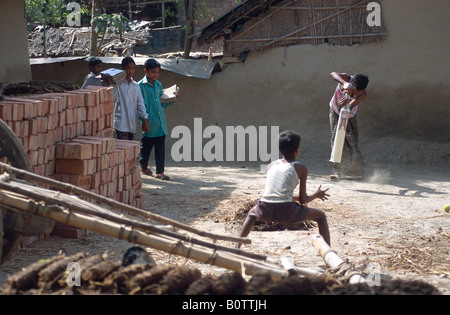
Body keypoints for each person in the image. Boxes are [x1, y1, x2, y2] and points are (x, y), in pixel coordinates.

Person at [237, 130, 331, 247]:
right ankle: (328, 251)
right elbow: (303, 200)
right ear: (297, 149)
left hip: (264, 209)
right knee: (321, 216)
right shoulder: (301, 168)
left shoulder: (270, 165)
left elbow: (280, 196)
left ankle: (237, 247)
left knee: (251, 214)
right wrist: (316, 195)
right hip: (287, 212)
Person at [139, 58, 178, 180]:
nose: (155, 74)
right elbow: (139, 105)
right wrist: (143, 120)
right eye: (153, 72)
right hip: (149, 123)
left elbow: (162, 103)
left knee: (160, 149)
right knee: (146, 148)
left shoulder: (158, 85)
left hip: (161, 123)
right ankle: (143, 166)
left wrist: (172, 99)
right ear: (146, 71)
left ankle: (160, 171)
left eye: (157, 72)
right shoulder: (140, 86)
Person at [328, 72, 369, 181]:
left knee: (351, 140)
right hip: (335, 112)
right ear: (352, 83)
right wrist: (344, 83)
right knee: (337, 139)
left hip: (349, 115)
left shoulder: (362, 94)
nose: (359, 92)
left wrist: (347, 103)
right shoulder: (346, 78)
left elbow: (350, 106)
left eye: (361, 90)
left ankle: (356, 172)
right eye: (357, 90)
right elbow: (332, 74)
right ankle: (338, 171)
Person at [113, 57, 150, 140]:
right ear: (122, 68)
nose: (131, 71)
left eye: (133, 68)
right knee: (124, 149)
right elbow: (114, 99)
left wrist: (145, 117)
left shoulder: (135, 85)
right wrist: (112, 85)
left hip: (132, 124)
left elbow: (140, 103)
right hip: (121, 124)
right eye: (128, 68)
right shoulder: (118, 84)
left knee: (129, 150)